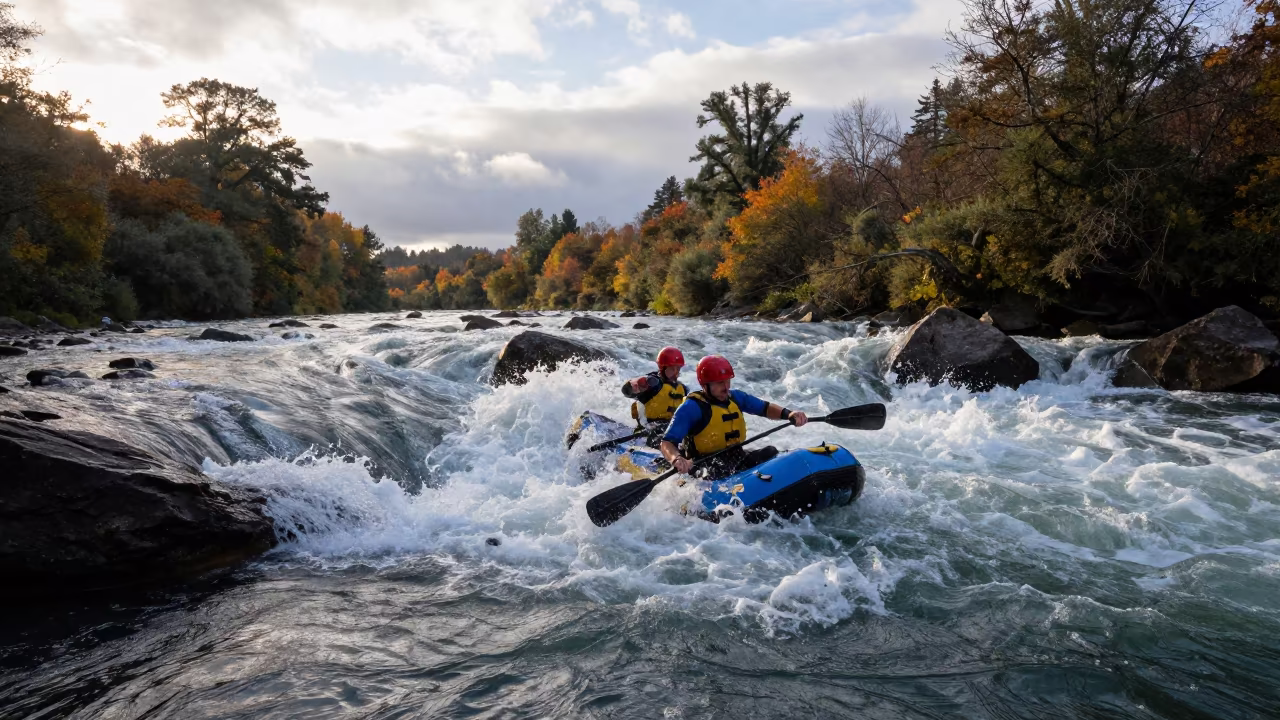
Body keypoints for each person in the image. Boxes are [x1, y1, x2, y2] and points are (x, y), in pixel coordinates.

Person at [660, 355, 807, 479]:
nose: (726, 386)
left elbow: (765, 408)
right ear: (705, 384)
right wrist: (677, 459)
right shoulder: (692, 407)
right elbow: (667, 443)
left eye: (727, 380)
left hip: (736, 456)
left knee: (770, 452)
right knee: (718, 472)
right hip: (705, 464)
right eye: (720, 383)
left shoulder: (736, 397)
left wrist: (789, 414)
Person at [620, 346, 688, 447]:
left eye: (678, 368)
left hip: (670, 428)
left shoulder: (682, 388)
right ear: (662, 367)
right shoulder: (652, 383)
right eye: (672, 368)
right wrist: (633, 386)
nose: (676, 372)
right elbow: (625, 391)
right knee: (663, 430)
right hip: (648, 430)